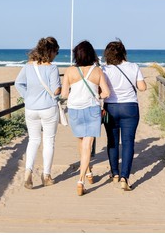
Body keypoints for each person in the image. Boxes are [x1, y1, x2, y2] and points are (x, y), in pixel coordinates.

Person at [61, 40, 110, 196]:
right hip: (92, 110)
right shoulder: (97, 71)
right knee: (88, 145)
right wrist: (97, 95)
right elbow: (106, 93)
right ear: (91, 54)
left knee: (81, 142)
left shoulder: (69, 71)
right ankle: (81, 180)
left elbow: (64, 94)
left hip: (75, 109)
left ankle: (88, 172)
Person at [15, 37, 61, 189]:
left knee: (33, 140)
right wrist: (58, 93)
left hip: (31, 108)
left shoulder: (28, 66)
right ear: (51, 51)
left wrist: (27, 96)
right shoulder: (52, 68)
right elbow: (56, 90)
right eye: (56, 52)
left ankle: (28, 172)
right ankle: (46, 176)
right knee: (49, 141)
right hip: (48, 108)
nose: (56, 54)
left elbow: (18, 83)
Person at [101, 39, 147, 190]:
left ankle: (114, 173)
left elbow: (101, 91)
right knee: (128, 142)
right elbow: (142, 87)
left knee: (112, 141)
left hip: (111, 108)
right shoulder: (133, 67)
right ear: (123, 53)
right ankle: (124, 178)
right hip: (130, 108)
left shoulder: (105, 70)